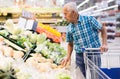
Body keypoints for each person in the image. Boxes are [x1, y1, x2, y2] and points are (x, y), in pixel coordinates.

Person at [61, 2, 108, 78]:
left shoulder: (89, 20)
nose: (64, 17)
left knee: (95, 76)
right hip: (79, 55)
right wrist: (68, 56)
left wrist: (104, 43)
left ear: (73, 12)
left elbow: (103, 30)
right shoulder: (69, 28)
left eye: (65, 14)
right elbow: (70, 44)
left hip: (94, 53)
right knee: (80, 76)